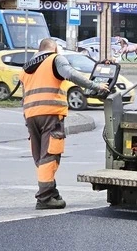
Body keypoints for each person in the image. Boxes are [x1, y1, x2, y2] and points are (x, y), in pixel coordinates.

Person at [19, 38, 110, 210]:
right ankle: (44, 198)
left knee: (40, 156)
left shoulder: (26, 67)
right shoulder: (54, 59)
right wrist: (95, 86)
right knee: (50, 155)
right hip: (50, 114)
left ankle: (51, 191)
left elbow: (24, 96)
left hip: (31, 115)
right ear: (53, 49)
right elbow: (71, 74)